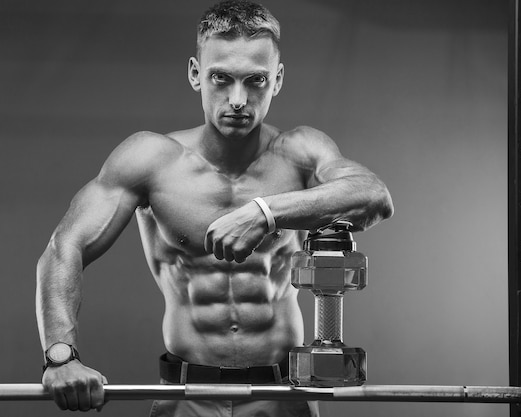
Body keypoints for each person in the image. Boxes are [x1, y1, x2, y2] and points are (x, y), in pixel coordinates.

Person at [36, 0, 394, 415]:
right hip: (186, 394)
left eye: (255, 81)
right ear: (195, 74)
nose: (238, 99)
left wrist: (265, 212)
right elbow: (64, 247)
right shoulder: (151, 159)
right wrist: (60, 356)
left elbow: (373, 196)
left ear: (277, 80)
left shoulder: (300, 152)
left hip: (281, 395)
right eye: (220, 78)